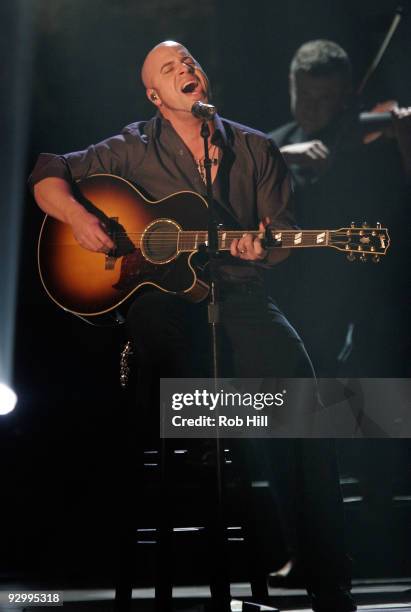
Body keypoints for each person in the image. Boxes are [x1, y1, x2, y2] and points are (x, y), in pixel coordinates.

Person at [29, 41, 355, 612]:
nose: (185, 69)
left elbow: (280, 239)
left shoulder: (257, 150)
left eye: (190, 63)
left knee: (307, 404)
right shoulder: (130, 149)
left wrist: (260, 249)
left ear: (203, 79)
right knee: (163, 338)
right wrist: (80, 219)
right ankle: (210, 433)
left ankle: (331, 584)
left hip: (242, 298)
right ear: (155, 96)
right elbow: (48, 172)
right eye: (168, 68)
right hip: (164, 303)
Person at [268, 39, 411, 378]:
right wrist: (283, 155)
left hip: (361, 310)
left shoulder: (374, 150)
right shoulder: (275, 144)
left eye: (325, 99)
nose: (312, 109)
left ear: (347, 98)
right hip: (290, 307)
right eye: (304, 96)